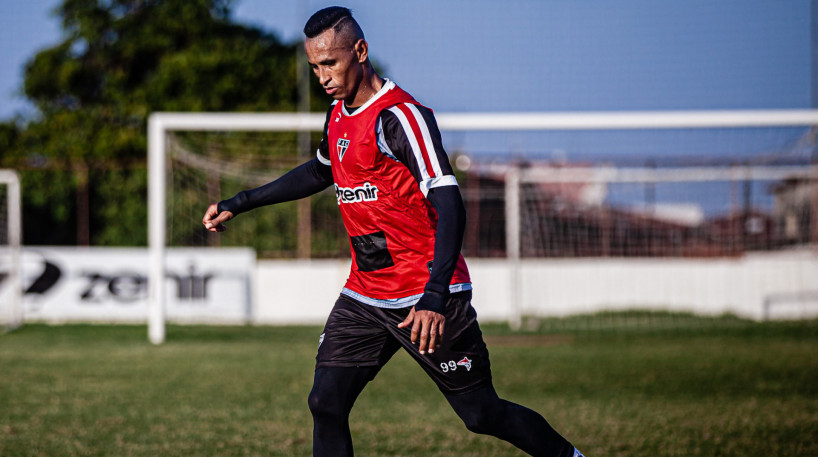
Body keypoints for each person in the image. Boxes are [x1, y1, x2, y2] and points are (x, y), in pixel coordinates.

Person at [202, 6, 584, 457]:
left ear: (360, 51)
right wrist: (240, 202)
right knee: (325, 402)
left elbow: (449, 201)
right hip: (365, 294)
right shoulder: (338, 115)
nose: (322, 76)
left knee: (481, 414)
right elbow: (319, 171)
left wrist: (436, 298)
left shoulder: (402, 117)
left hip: (426, 293)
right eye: (314, 67)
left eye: (330, 63)